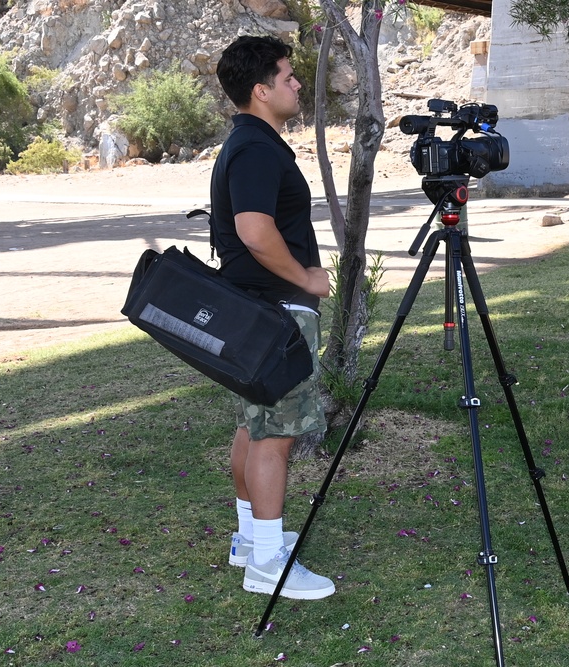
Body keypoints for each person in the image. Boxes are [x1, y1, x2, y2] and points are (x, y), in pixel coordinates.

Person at [211, 35, 334, 599]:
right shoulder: (259, 147)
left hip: (253, 309)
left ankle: (249, 542)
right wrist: (305, 278)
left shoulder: (246, 141)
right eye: (288, 76)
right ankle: (267, 564)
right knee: (275, 437)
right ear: (260, 91)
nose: (297, 83)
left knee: (254, 424)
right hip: (273, 310)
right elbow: (254, 231)